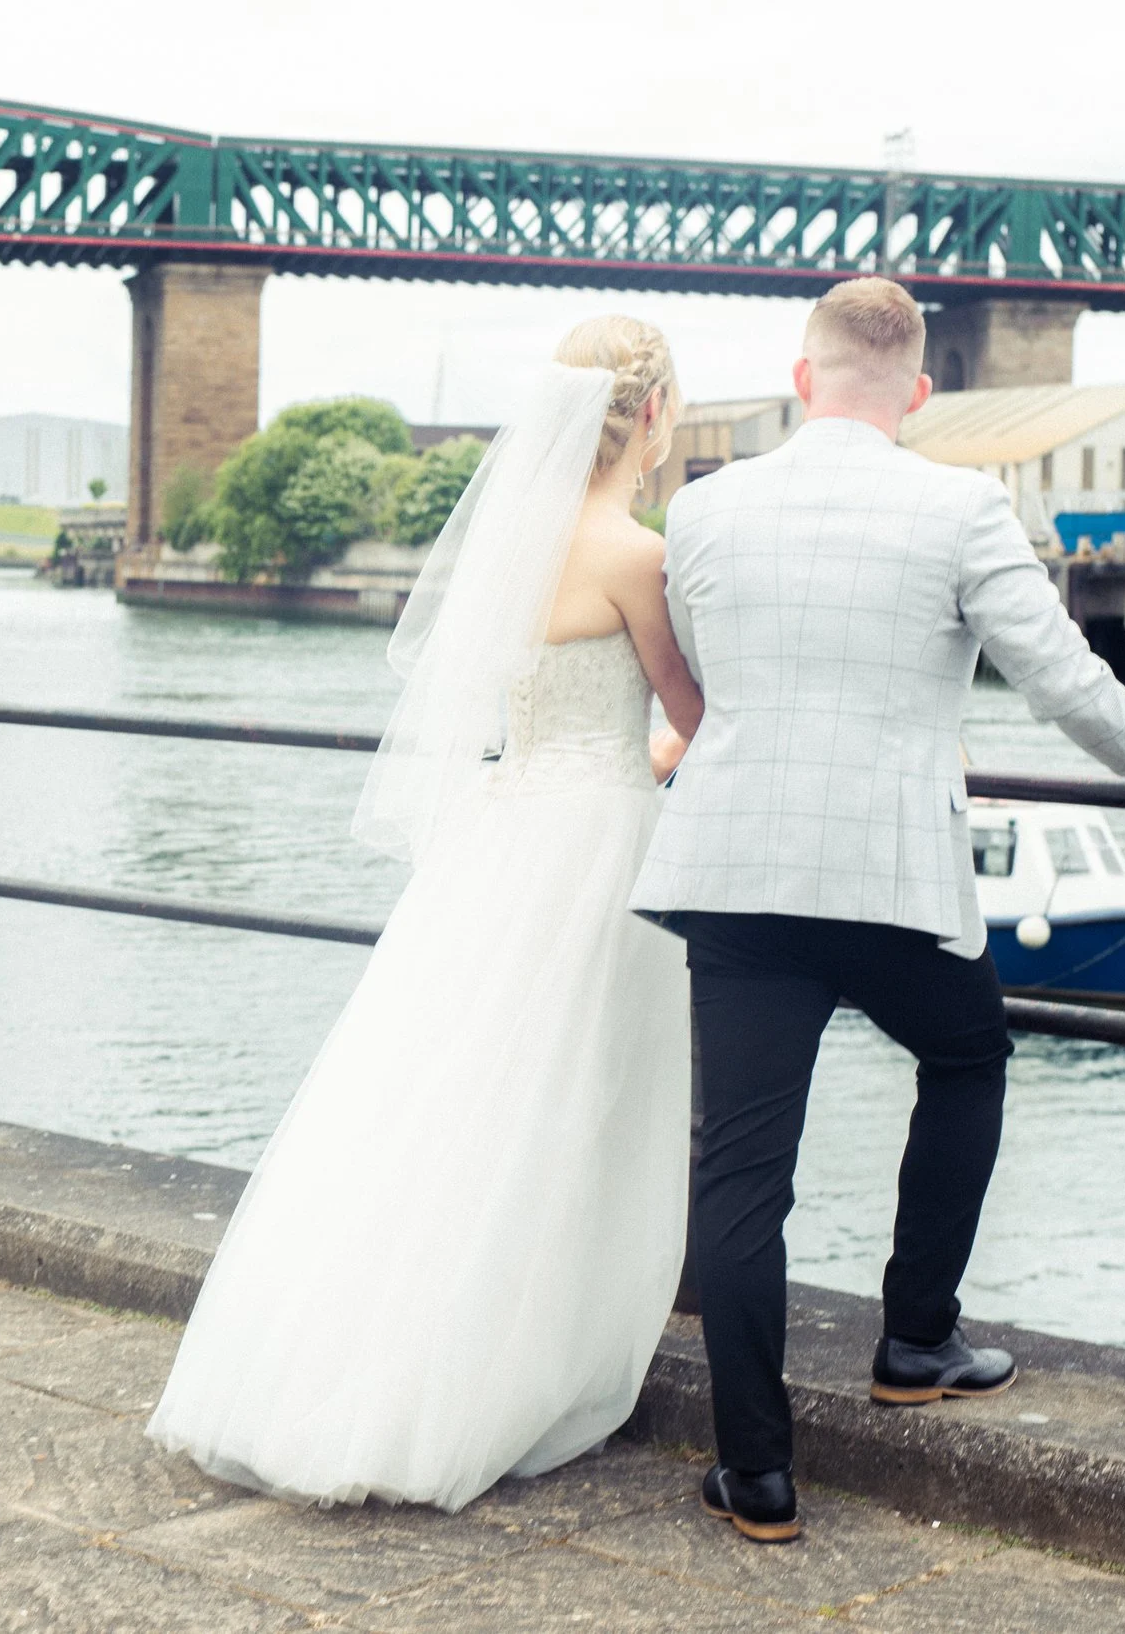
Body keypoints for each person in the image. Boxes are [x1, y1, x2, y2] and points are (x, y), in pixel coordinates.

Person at [631, 277, 1125, 1544]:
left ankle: (756, 1475)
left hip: (735, 870)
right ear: (916, 391)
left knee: (741, 1166)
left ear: (803, 379)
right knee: (966, 1055)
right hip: (886, 875)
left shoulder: (702, 506)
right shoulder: (961, 505)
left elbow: (710, 674)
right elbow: (1062, 680)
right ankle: (914, 1336)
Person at [146, 315, 705, 1512]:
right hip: (599, 830)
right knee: (575, 1094)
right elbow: (685, 714)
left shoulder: (510, 547)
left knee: (452, 1086)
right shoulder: (633, 553)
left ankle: (358, 1357)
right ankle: (521, 1360)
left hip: (504, 831)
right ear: (651, 416)